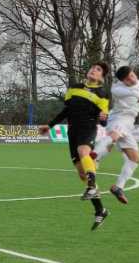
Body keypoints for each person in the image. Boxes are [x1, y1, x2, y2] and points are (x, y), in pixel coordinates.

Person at [40, 62, 111, 230]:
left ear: (102, 77)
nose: (94, 70)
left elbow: (104, 119)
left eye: (99, 70)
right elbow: (66, 111)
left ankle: (92, 185)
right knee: (81, 174)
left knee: (83, 151)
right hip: (72, 132)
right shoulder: (74, 88)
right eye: (93, 67)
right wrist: (50, 126)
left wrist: (103, 118)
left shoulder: (103, 94)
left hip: (88, 127)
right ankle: (101, 210)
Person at [92, 66, 139, 204]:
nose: (132, 79)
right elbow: (134, 93)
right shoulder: (117, 89)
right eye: (128, 79)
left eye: (133, 75)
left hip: (129, 123)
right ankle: (94, 155)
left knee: (135, 159)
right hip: (119, 119)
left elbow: (136, 88)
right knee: (114, 136)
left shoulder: (137, 82)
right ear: (123, 81)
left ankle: (118, 187)